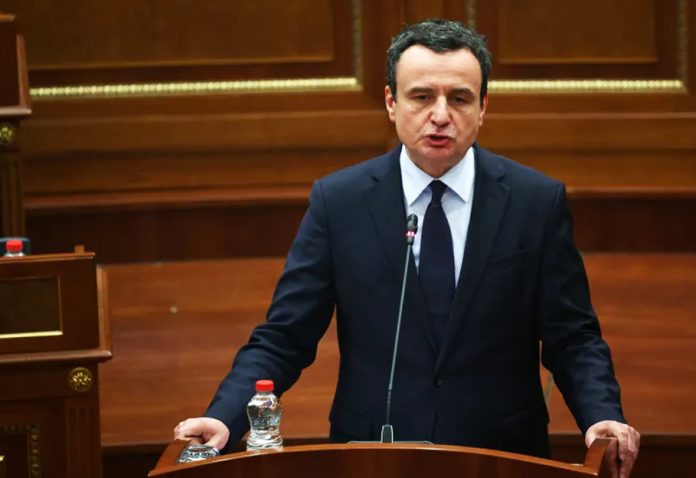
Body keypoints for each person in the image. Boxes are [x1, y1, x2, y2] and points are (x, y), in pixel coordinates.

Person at [175, 18, 640, 477]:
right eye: (421, 97)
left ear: (483, 107)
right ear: (391, 102)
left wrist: (601, 415)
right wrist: (224, 416)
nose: (440, 115)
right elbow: (286, 335)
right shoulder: (340, 202)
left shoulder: (534, 202)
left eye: (459, 98)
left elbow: (572, 336)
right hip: (373, 454)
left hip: (500, 455)